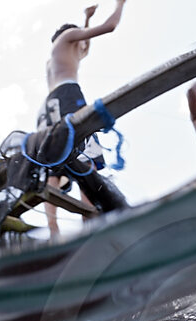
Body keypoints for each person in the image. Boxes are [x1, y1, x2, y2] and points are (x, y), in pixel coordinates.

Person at [41, 1, 127, 237]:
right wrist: (121, 4)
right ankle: (89, 220)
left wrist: (86, 19)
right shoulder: (67, 36)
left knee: (56, 162)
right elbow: (109, 27)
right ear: (69, 34)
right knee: (85, 156)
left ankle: (53, 228)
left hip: (51, 105)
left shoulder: (54, 58)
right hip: (69, 96)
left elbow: (84, 48)